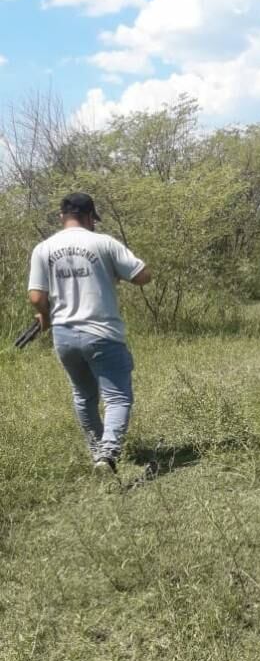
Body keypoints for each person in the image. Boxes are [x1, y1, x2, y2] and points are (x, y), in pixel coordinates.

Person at [27, 193, 151, 475]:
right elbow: (143, 275)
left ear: (62, 217)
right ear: (90, 217)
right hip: (102, 333)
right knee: (117, 397)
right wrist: (115, 274)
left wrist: (45, 316)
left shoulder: (43, 248)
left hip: (64, 335)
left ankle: (98, 454)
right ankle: (107, 455)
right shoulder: (103, 242)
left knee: (84, 396)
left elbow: (36, 297)